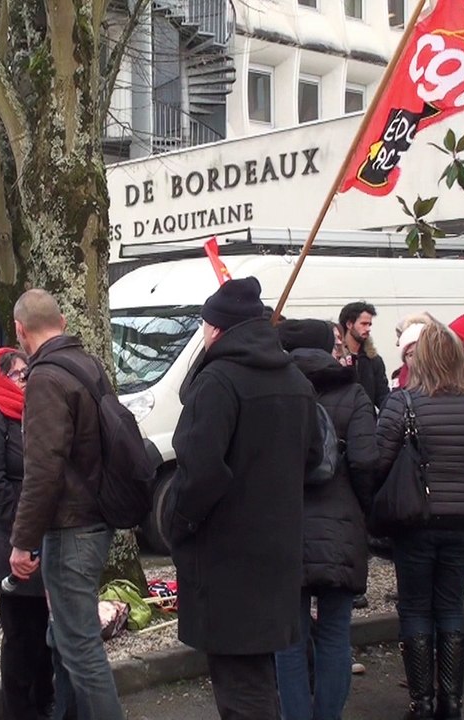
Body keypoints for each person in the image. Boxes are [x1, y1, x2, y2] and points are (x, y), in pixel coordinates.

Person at [167, 277, 321, 720]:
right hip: (278, 550)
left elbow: (199, 472)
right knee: (258, 678)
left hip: (226, 558)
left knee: (241, 688)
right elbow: (314, 457)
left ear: (216, 329)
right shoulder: (294, 379)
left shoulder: (218, 381)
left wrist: (180, 525)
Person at [376, 320, 464, 720]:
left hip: (415, 519)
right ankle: (451, 701)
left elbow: (378, 461)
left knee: (416, 608)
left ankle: (422, 702)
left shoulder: (403, 402)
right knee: (451, 606)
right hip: (463, 519)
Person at [7, 289, 123, 720]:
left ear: (20, 330)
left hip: (71, 525)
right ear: (64, 322)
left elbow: (43, 470)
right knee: (66, 637)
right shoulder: (87, 365)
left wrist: (22, 542)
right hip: (95, 516)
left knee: (80, 647)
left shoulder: (45, 378)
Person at [273, 319, 377, 720]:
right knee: (335, 634)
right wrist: (362, 509)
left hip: (287, 524)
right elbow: (367, 460)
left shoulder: (275, 392)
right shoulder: (354, 393)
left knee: (289, 640)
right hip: (341, 524)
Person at [0, 348, 54, 720]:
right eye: (16, 374)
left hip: (41, 539)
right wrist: (25, 530)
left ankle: (43, 703)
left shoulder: (34, 416)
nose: (24, 379)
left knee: (42, 636)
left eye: (26, 372)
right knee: (20, 638)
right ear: (0, 379)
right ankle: (19, 711)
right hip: (13, 543)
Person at [339, 301, 389, 409]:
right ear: (349, 324)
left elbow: (383, 396)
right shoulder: (335, 358)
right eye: (363, 324)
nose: (368, 329)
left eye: (369, 324)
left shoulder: (374, 360)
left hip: (367, 421)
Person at [393, 322, 426, 390]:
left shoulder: (449, 385)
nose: (417, 359)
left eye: (421, 352)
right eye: (411, 355)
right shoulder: (398, 392)